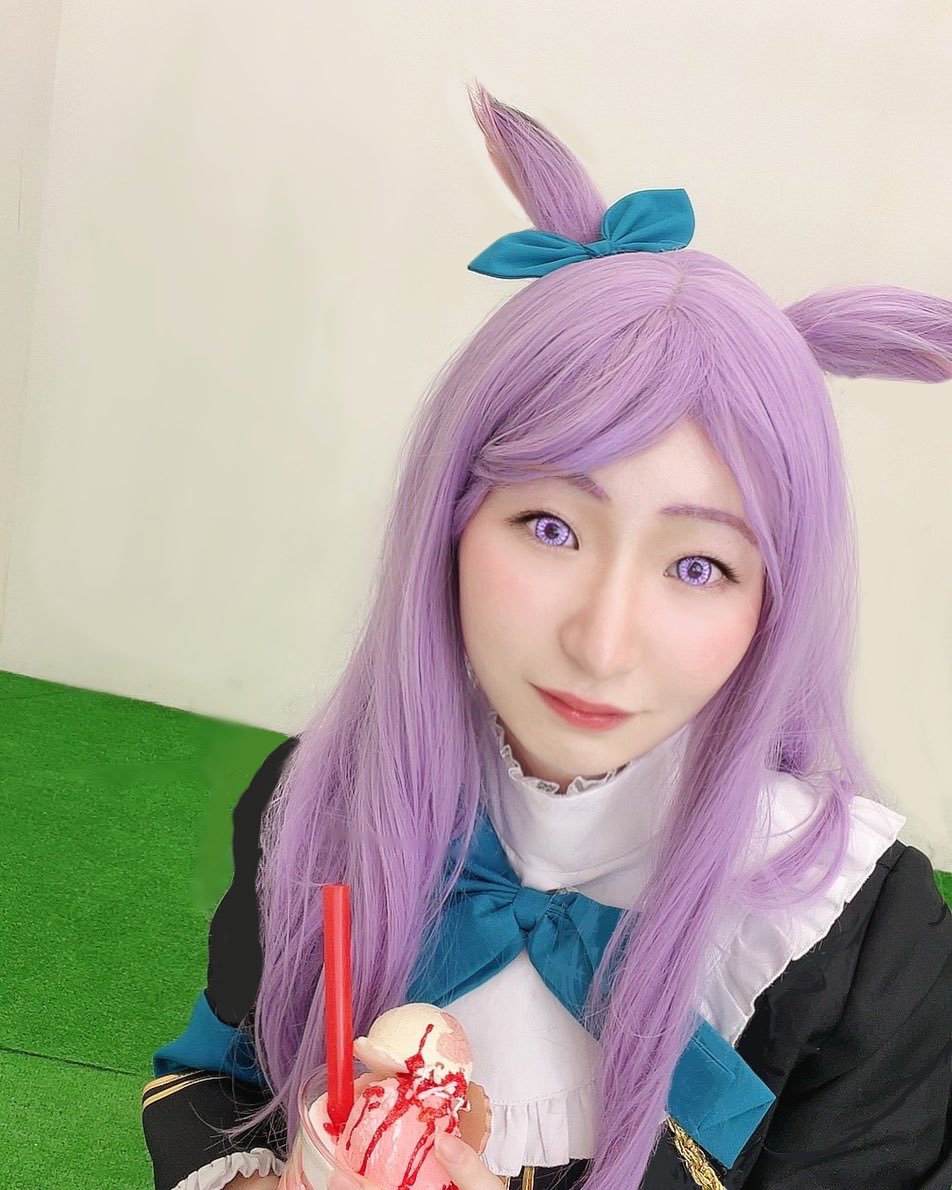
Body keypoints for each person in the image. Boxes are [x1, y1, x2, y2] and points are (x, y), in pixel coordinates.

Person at [141, 83, 952, 1190]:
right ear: (450, 522)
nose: (603, 643)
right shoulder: (319, 802)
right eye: (550, 527)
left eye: (699, 566)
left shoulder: (856, 932)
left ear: (776, 604)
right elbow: (218, 1077)